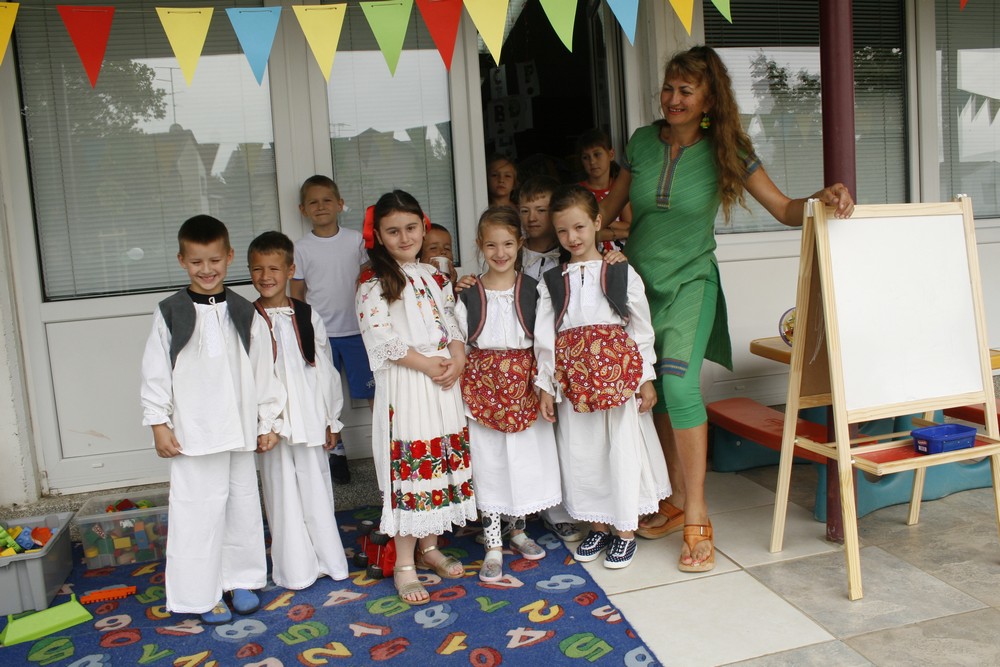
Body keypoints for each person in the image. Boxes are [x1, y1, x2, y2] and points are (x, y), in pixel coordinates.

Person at [599, 45, 854, 572]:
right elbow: (603, 214)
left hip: (691, 283)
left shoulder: (726, 149)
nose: (673, 99)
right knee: (656, 393)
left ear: (709, 99)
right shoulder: (642, 143)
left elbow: (784, 209)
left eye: (685, 91)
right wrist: (551, 235)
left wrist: (822, 197)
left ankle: (697, 513)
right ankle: (672, 499)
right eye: (668, 88)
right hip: (639, 290)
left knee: (678, 386)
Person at [140, 215, 285, 623]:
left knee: (241, 505)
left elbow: (263, 371)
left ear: (229, 257)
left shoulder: (244, 312)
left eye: (215, 260)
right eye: (196, 262)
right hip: (193, 432)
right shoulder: (170, 312)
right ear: (182, 261)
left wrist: (267, 421)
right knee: (196, 513)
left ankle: (241, 578)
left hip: (238, 428)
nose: (207, 270)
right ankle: (199, 594)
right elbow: (155, 372)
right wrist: (159, 423)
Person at [535, 185, 671, 570]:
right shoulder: (553, 280)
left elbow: (640, 328)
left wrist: (646, 377)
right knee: (583, 452)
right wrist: (545, 384)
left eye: (579, 227)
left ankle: (624, 530)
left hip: (618, 378)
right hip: (575, 382)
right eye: (562, 231)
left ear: (597, 222)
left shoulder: (619, 272)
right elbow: (544, 337)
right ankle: (597, 525)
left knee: (620, 449)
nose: (572, 237)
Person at [355, 190, 478, 605]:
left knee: (438, 463)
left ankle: (430, 547)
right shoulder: (374, 283)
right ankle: (405, 563)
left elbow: (452, 321)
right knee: (411, 471)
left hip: (442, 381)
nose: (404, 237)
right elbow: (382, 338)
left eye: (411, 228)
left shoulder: (435, 276)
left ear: (423, 228)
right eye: (393, 231)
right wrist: (427, 364)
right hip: (408, 384)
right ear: (378, 236)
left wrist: (457, 357)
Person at [459, 206, 561, 582]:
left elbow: (545, 342)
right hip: (483, 388)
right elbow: (459, 343)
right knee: (489, 464)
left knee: (522, 462)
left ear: (519, 244)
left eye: (507, 244)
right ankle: (492, 543)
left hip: (523, 387)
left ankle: (517, 530)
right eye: (491, 245)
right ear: (479, 245)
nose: (499, 253)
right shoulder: (469, 293)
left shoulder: (535, 290)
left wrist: (545, 386)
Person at [248, 231, 350, 591]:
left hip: (309, 418)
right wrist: (265, 423)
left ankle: (328, 560)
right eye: (257, 269)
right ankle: (295, 568)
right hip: (274, 426)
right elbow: (254, 376)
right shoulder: (249, 319)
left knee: (316, 487)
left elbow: (324, 368)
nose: (266, 276)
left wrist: (331, 418)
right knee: (281, 493)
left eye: (274, 268)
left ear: (291, 270)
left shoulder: (307, 314)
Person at [291, 175, 372, 485]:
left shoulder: (355, 241)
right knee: (325, 395)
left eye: (327, 200)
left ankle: (385, 445)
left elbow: (368, 280)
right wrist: (302, 331)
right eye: (313, 202)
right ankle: (336, 452)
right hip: (321, 335)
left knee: (372, 391)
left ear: (340, 204)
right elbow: (297, 292)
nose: (321, 206)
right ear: (303, 209)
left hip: (358, 332)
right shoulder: (301, 248)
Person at [577, 128, 632, 254]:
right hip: (591, 256)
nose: (592, 161)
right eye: (586, 157)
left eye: (597, 154)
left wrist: (597, 221)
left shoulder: (619, 188)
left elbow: (629, 226)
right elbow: (582, 232)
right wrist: (621, 232)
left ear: (611, 154)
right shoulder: (578, 192)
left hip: (620, 255)